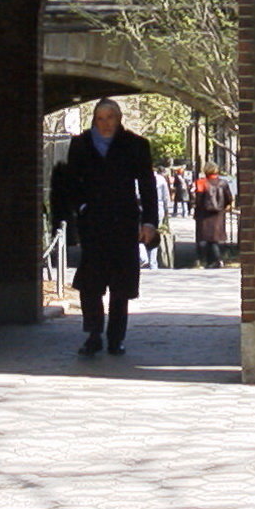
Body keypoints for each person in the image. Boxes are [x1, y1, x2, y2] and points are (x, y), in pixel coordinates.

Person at [63, 99, 160, 356]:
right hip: (93, 224)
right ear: (94, 120)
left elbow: (148, 186)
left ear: (119, 119)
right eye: (100, 118)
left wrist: (149, 222)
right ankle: (93, 334)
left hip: (124, 223)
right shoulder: (81, 144)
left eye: (111, 118)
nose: (106, 123)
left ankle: (116, 337)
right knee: (91, 284)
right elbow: (71, 182)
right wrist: (81, 208)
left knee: (121, 285)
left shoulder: (135, 145)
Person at [194, 162, 235, 268]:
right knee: (214, 239)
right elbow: (229, 198)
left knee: (204, 239)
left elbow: (198, 199)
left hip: (204, 214)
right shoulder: (223, 183)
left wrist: (196, 211)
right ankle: (216, 260)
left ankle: (211, 260)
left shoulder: (201, 182)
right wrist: (224, 207)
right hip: (218, 214)